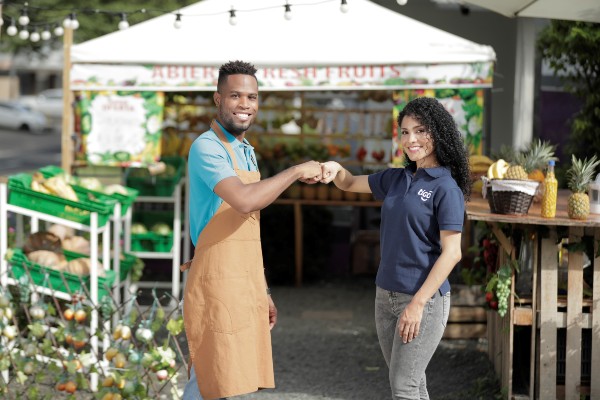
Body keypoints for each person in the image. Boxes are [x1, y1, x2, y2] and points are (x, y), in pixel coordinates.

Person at [181, 60, 322, 400]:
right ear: (218, 100)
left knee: (229, 377)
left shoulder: (246, 152)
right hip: (216, 278)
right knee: (210, 377)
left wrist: (263, 287)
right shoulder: (207, 147)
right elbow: (244, 200)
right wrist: (295, 171)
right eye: (235, 96)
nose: (245, 104)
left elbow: (249, 227)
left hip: (242, 278)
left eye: (252, 97)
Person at [320, 97, 471, 400]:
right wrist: (336, 167)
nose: (410, 139)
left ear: (438, 133)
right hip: (384, 295)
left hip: (422, 300)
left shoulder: (446, 188)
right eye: (404, 132)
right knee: (412, 385)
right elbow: (349, 183)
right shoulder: (396, 178)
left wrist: (417, 304)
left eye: (420, 130)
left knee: (403, 387)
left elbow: (452, 252)